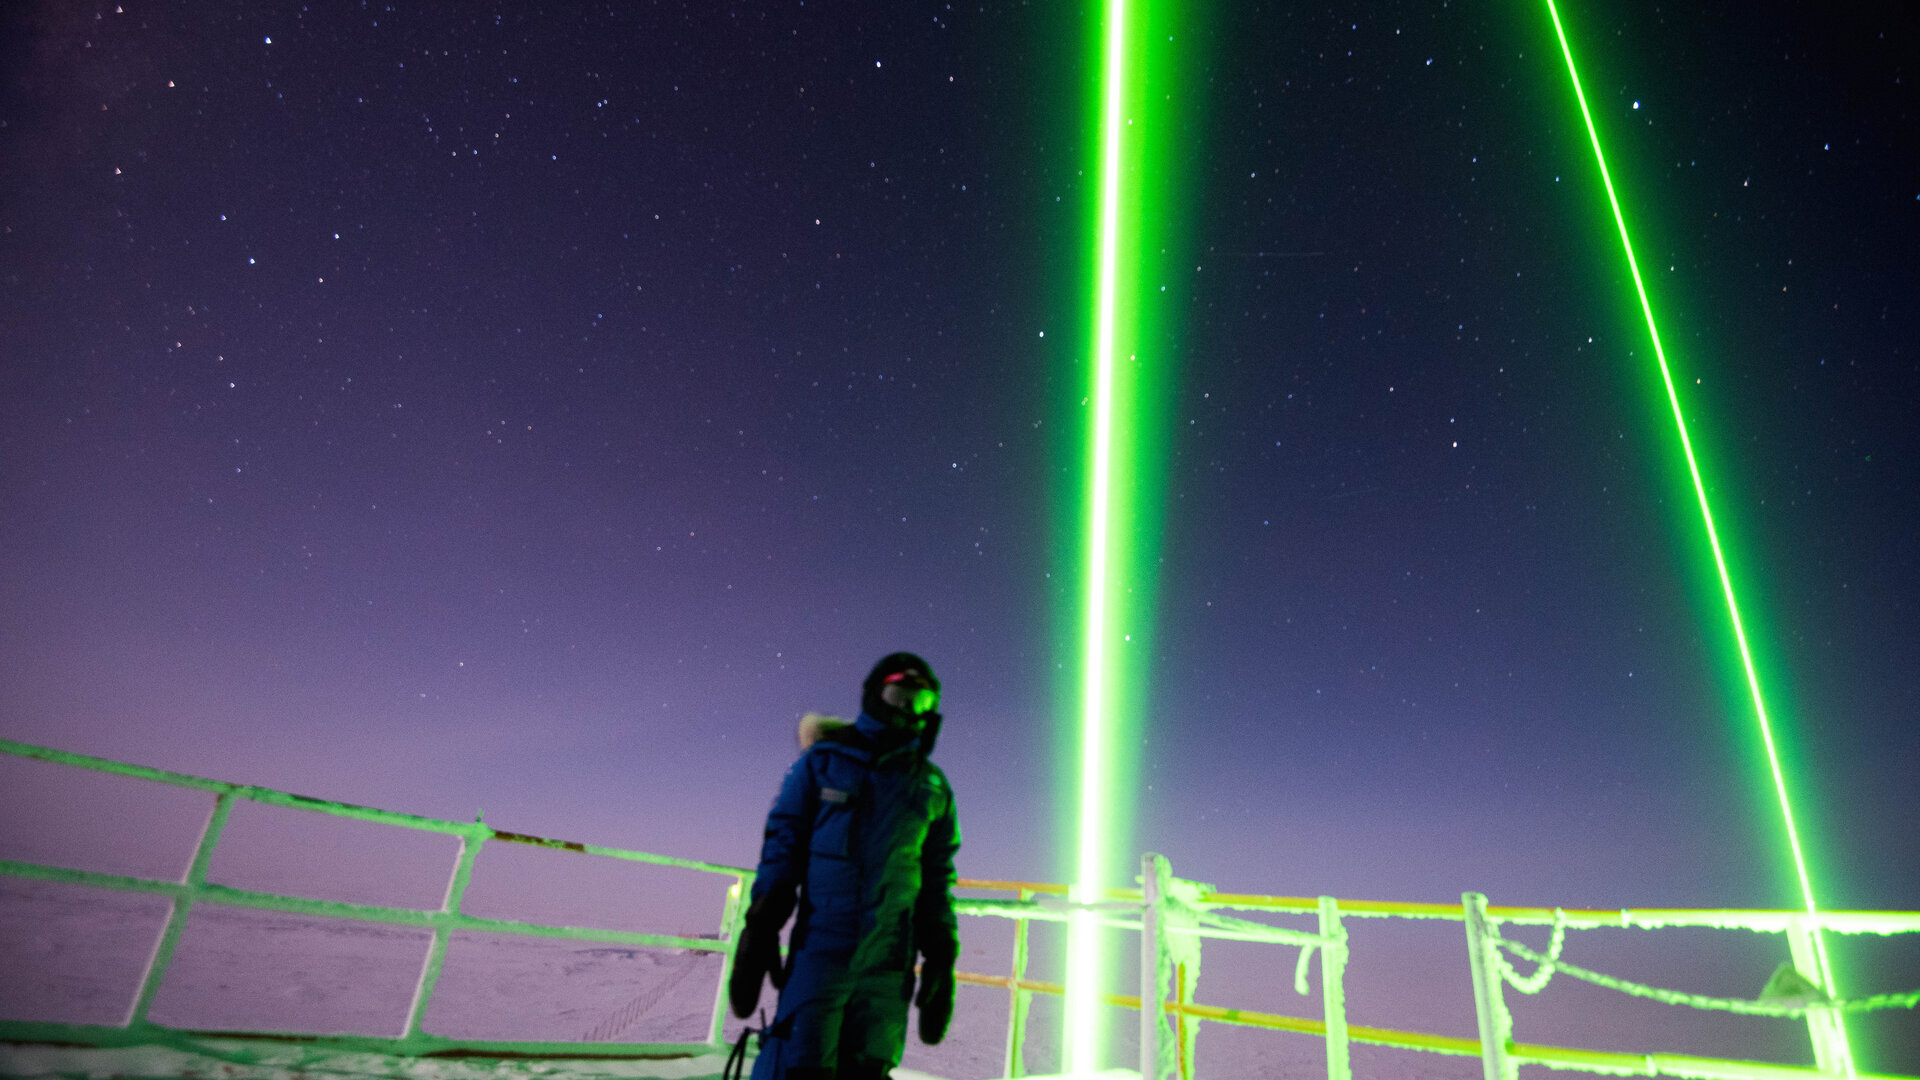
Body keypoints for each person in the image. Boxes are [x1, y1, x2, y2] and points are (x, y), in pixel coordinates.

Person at [729, 653, 960, 1080]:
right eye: (899, 696)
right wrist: (761, 927)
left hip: (889, 965)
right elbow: (783, 847)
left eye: (922, 702)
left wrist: (941, 956)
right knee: (800, 1065)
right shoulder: (823, 764)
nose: (909, 710)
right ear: (875, 695)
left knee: (868, 1070)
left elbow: (936, 881)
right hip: (821, 953)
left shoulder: (932, 787)